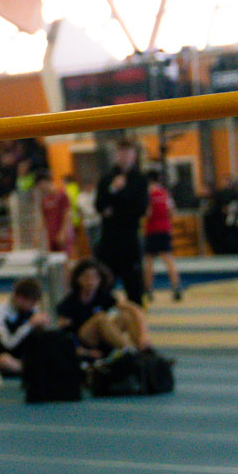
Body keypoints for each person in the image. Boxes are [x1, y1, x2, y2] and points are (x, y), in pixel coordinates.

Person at [56, 259, 150, 359]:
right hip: (84, 340)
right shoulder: (68, 303)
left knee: (126, 316)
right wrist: (84, 351)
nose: (91, 281)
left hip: (103, 338)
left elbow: (135, 309)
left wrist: (143, 336)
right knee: (100, 318)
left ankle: (143, 348)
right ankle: (131, 350)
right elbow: (65, 335)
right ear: (78, 279)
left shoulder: (103, 296)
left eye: (95, 277)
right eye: (86, 277)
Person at [94, 140, 149, 305]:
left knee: (134, 287)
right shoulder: (107, 179)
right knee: (104, 284)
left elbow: (140, 208)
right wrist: (113, 190)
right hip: (109, 239)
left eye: (128, 152)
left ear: (134, 155)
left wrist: (115, 207)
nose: (124, 156)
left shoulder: (140, 179)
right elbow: (99, 205)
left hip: (129, 239)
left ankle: (136, 318)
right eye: (121, 152)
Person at [0, 278, 48, 377]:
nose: (33, 306)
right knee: (4, 360)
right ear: (20, 298)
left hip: (27, 356)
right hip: (7, 354)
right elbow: (9, 344)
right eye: (32, 302)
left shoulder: (32, 311)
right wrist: (29, 325)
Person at [143, 175, 182, 302]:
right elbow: (172, 211)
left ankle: (148, 289)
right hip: (164, 229)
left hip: (152, 230)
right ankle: (176, 287)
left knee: (149, 261)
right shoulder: (165, 193)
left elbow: (147, 213)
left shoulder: (148, 194)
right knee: (168, 259)